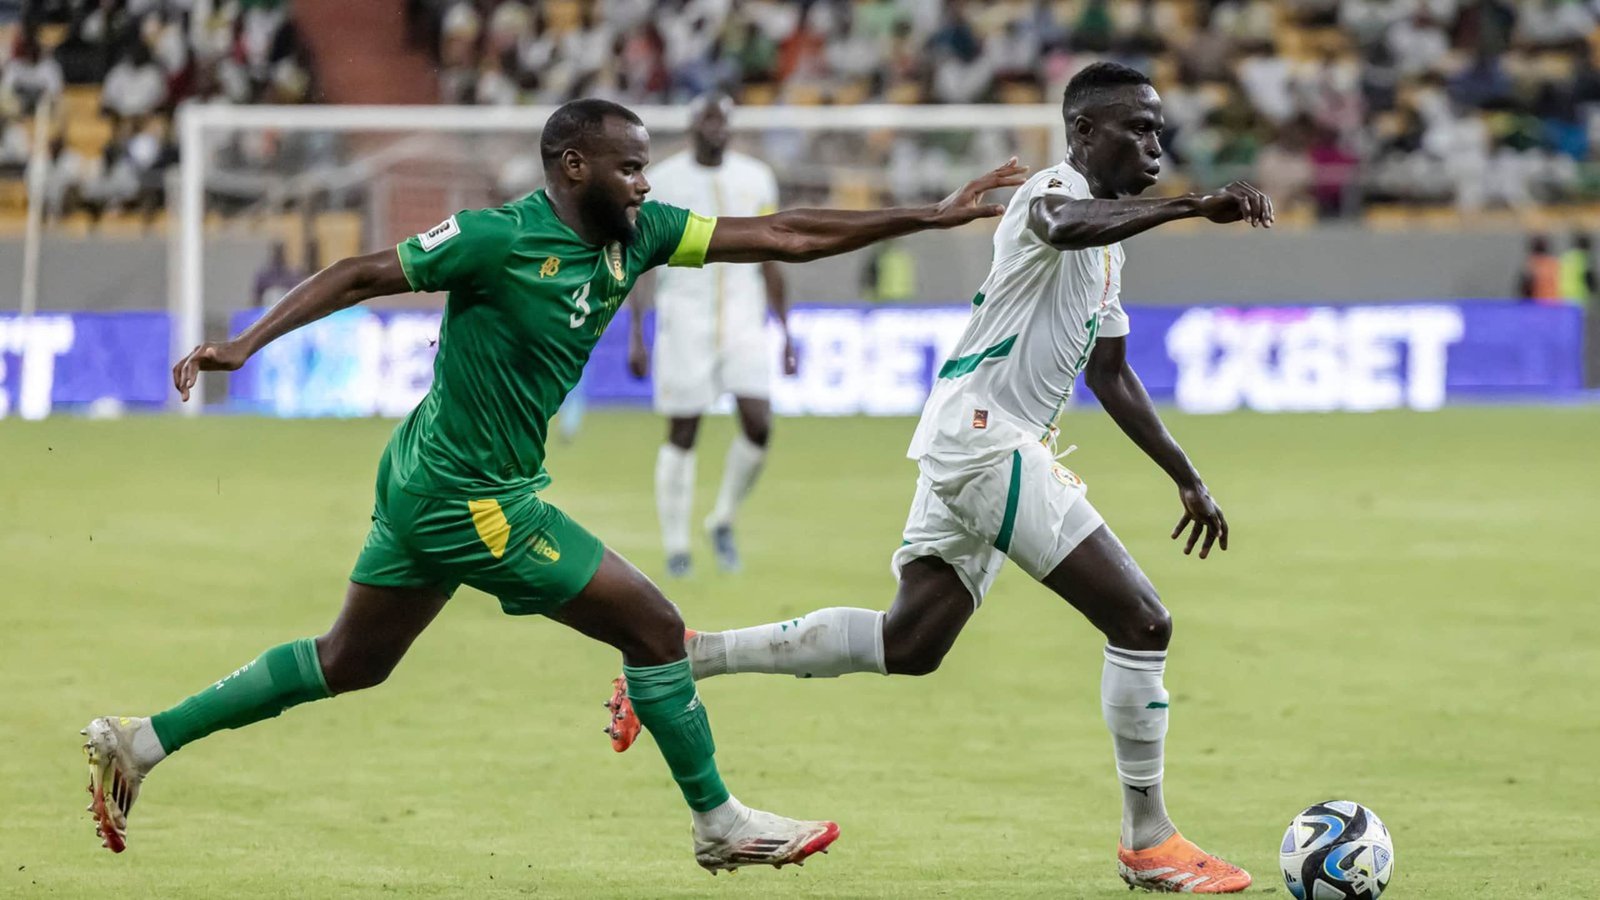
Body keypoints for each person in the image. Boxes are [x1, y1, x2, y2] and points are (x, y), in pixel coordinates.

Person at [79, 97, 1026, 872]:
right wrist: (245, 340)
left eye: (646, 167)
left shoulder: (642, 234)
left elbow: (781, 232)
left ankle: (141, 742)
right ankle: (718, 823)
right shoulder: (494, 240)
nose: (645, 183)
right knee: (655, 630)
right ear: (574, 166)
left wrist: (932, 214)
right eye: (629, 167)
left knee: (350, 661)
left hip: (432, 475)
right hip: (470, 497)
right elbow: (367, 269)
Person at [603, 64, 1272, 893]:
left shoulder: (1110, 252)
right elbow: (1066, 225)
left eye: (1160, 131)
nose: (1156, 145)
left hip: (978, 437)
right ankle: (1150, 842)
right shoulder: (1048, 194)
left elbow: (1112, 374)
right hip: (988, 440)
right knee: (1141, 622)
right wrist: (1186, 208)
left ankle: (687, 656)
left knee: (908, 643)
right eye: (1138, 128)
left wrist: (1187, 476)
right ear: (1084, 135)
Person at [626, 92, 793, 577]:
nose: (715, 129)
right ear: (692, 125)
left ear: (731, 128)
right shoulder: (665, 181)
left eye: (722, 121)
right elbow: (640, 261)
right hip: (685, 316)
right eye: (707, 121)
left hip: (744, 315)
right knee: (683, 429)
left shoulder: (756, 177)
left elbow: (772, 255)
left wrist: (786, 331)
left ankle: (722, 518)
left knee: (759, 424)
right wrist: (638, 331)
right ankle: (677, 546)